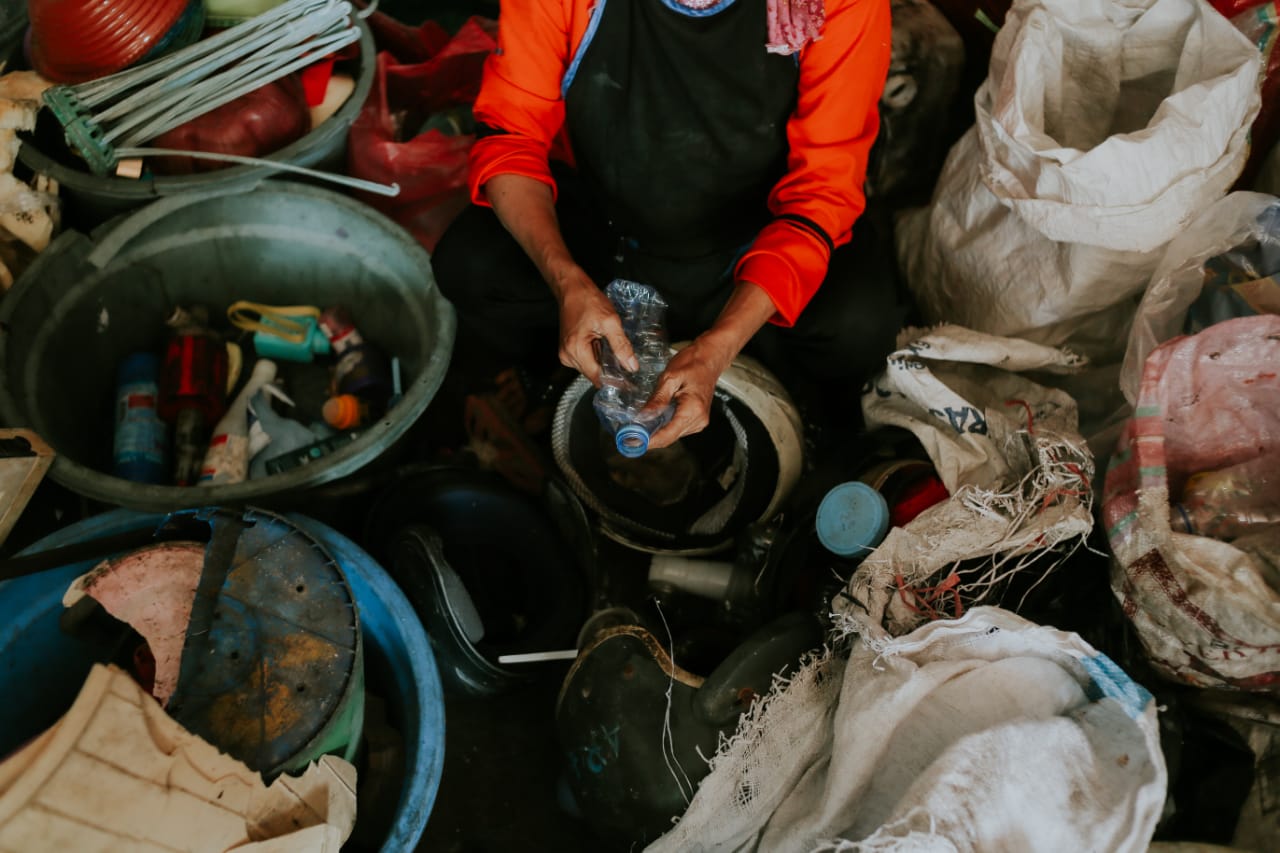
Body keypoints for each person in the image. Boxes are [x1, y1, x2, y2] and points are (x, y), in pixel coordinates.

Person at [432, 0, 898, 451]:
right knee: (471, 263)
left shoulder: (835, 4)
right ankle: (551, 372)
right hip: (608, 234)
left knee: (860, 322)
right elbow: (512, 136)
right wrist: (566, 280)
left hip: (753, 248)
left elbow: (822, 192)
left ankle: (812, 419)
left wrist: (721, 343)